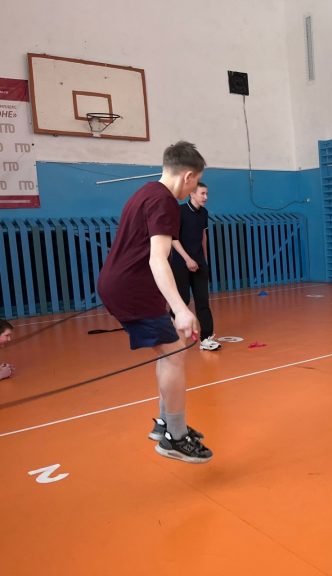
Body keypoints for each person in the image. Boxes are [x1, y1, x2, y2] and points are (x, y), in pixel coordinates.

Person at [97, 141, 213, 463]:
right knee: (175, 353)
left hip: (122, 283)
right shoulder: (164, 202)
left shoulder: (146, 192)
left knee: (169, 350)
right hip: (131, 287)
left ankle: (166, 424)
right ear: (188, 176)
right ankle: (175, 437)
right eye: (196, 181)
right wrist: (181, 309)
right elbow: (157, 259)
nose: (194, 188)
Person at [170, 181, 220, 351]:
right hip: (181, 263)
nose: (206, 197)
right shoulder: (180, 211)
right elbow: (173, 238)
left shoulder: (204, 213)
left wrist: (203, 259)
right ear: (192, 194)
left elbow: (203, 236)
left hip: (199, 264)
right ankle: (169, 333)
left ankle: (206, 338)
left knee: (203, 302)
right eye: (202, 193)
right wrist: (187, 259)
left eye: (207, 194)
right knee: (182, 300)